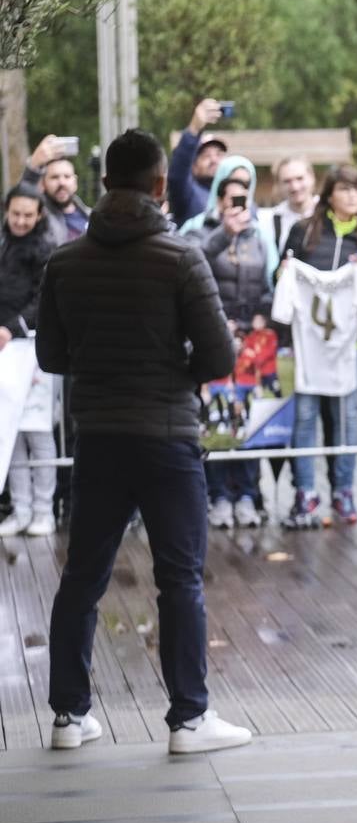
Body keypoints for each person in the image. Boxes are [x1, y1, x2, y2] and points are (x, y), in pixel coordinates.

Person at [36, 128, 252, 753]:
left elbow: (51, 355)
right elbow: (217, 358)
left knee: (82, 577)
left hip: (98, 434)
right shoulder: (182, 257)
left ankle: (68, 718)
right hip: (167, 437)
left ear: (104, 184)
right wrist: (168, 363)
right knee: (179, 578)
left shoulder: (65, 261)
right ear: (162, 186)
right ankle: (189, 719)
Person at [279, 165, 357, 528]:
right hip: (308, 347)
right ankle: (305, 490)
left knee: (348, 418)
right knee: (305, 417)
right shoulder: (303, 231)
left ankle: (344, 489)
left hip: (350, 347)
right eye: (345, 189)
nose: (353, 196)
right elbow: (282, 275)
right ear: (330, 193)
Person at [182, 158, 278, 529]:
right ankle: (218, 494)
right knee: (217, 419)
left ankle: (248, 494)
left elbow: (270, 285)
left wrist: (262, 315)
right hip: (213, 340)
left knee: (247, 420)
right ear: (219, 198)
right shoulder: (198, 229)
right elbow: (191, 265)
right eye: (232, 195)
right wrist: (223, 232)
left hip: (251, 344)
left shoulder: (260, 235)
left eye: (245, 194)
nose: (240, 204)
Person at [0, 184, 58, 537]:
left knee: (37, 430)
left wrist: (12, 327)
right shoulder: (2, 244)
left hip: (32, 349)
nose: (20, 221)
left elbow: (44, 298)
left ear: (38, 216)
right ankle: (20, 508)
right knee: (11, 431)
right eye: (15, 213)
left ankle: (43, 509)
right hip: (4, 350)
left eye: (27, 215)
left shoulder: (47, 249)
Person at [167, 99, 229, 226]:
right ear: (193, 165)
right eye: (206, 156)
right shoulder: (187, 194)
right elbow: (177, 175)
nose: (214, 160)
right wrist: (194, 129)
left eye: (219, 154)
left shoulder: (236, 194)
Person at [22, 135, 92, 244]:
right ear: (43, 184)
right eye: (54, 177)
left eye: (67, 176)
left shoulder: (92, 217)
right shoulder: (38, 218)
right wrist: (34, 164)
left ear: (75, 182)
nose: (61, 182)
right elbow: (23, 201)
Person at [262, 156, 318, 253]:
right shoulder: (270, 221)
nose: (295, 187)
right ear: (278, 185)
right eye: (287, 181)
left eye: (299, 178)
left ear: (312, 178)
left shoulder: (329, 212)